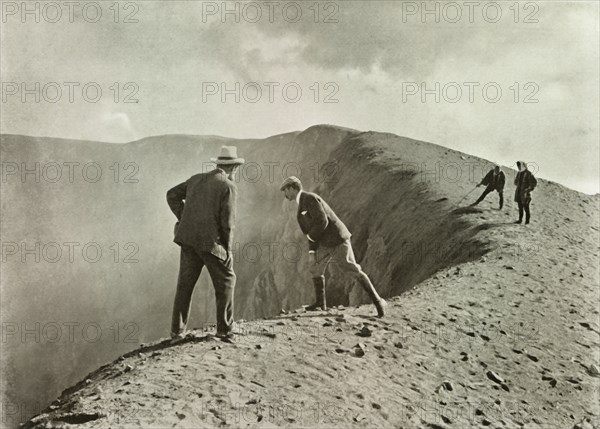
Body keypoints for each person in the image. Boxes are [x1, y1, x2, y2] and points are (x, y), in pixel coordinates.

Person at [280, 176, 387, 318]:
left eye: (285, 190)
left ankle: (378, 301)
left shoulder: (310, 198)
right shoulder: (301, 204)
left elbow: (321, 221)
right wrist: (312, 252)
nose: (284, 194)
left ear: (292, 188)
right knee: (315, 268)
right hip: (324, 243)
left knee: (351, 268)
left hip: (337, 240)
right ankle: (320, 304)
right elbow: (309, 232)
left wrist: (312, 239)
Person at [167, 146, 244, 339]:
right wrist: (227, 249)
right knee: (227, 281)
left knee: (185, 285)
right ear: (234, 168)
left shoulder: (195, 179)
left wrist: (184, 217)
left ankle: (177, 331)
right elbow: (228, 224)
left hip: (187, 239)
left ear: (218, 164)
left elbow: (171, 194)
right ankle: (225, 329)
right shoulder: (228, 186)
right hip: (211, 243)